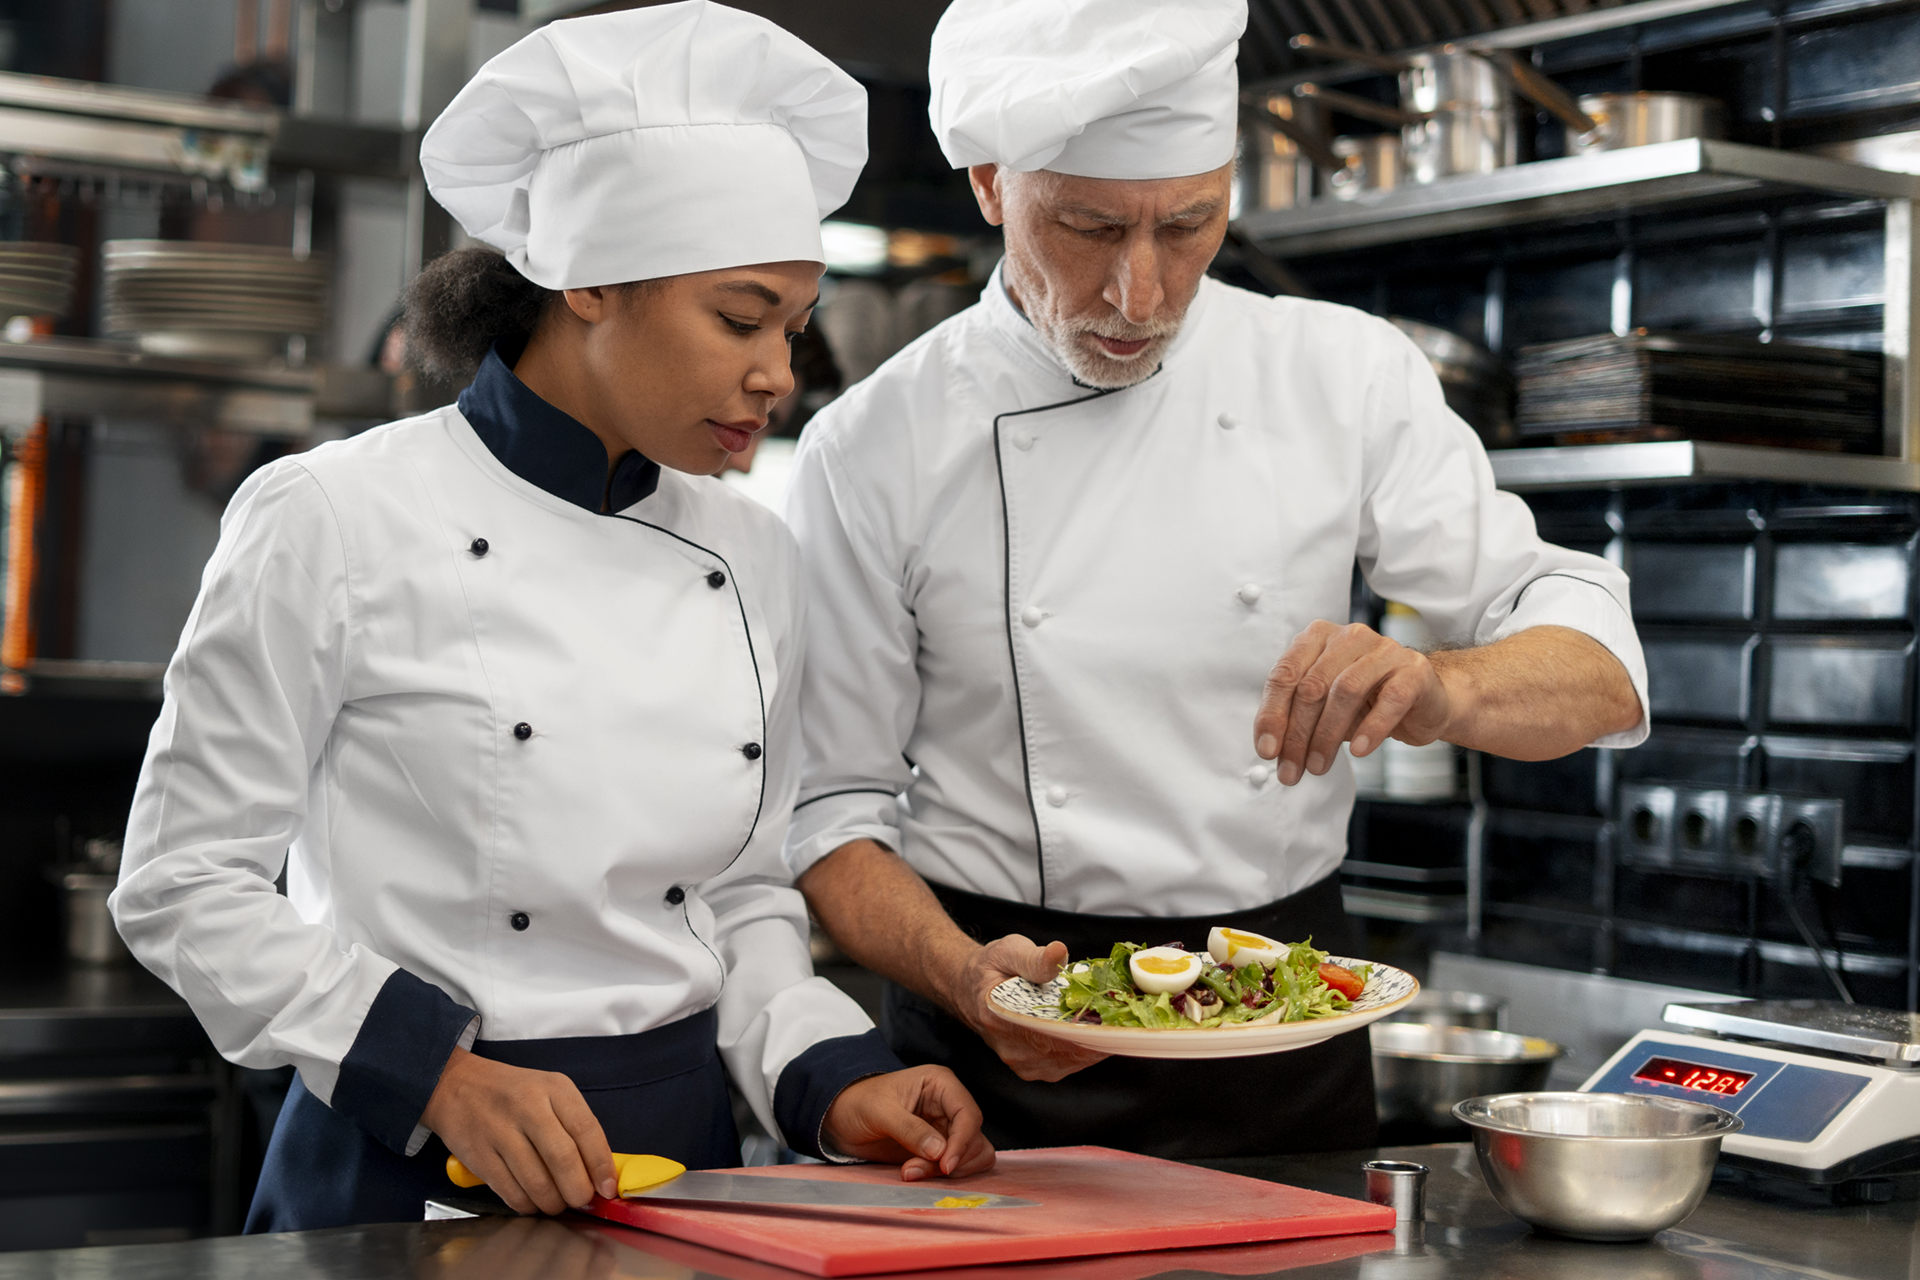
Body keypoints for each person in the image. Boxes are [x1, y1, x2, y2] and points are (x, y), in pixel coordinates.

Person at [109, 2, 991, 1233]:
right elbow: (182, 882)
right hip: (403, 1169)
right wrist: (438, 1073)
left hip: (687, 1174)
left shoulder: (754, 554)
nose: (779, 375)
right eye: (739, 320)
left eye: (792, 327)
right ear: (587, 281)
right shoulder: (331, 516)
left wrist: (832, 1078)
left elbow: (736, 896)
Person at [782, 0, 1648, 1159]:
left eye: (1189, 225)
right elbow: (830, 813)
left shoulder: (1341, 375)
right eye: (1088, 228)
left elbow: (1591, 666)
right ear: (991, 184)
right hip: (995, 1053)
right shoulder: (873, 444)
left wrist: (1436, 685)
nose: (1142, 295)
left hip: (1283, 1033)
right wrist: (960, 975)